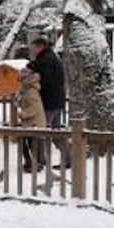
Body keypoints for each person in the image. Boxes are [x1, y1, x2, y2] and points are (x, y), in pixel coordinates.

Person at [29, 36, 67, 166]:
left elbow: (44, 79)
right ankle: (68, 157)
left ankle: (41, 159)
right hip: (56, 100)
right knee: (56, 132)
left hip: (49, 100)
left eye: (33, 48)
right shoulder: (49, 58)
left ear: (40, 47)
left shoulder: (46, 60)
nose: (32, 51)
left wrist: (35, 86)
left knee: (41, 130)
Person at [16, 61, 47, 171]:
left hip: (34, 123)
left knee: (31, 143)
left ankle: (35, 163)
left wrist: (23, 114)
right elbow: (24, 102)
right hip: (30, 123)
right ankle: (31, 163)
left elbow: (35, 108)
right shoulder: (26, 89)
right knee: (26, 142)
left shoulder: (31, 91)